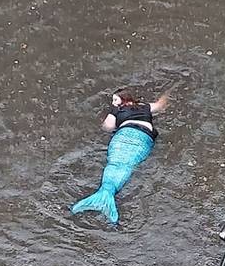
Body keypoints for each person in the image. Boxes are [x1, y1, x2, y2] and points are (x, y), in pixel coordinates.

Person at [70, 88, 168, 223]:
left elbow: (107, 127)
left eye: (115, 99)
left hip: (123, 135)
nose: (113, 103)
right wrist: (167, 94)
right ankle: (106, 195)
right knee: (127, 164)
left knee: (115, 162)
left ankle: (104, 193)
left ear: (125, 99)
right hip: (143, 138)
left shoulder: (116, 110)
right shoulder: (144, 107)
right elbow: (160, 105)